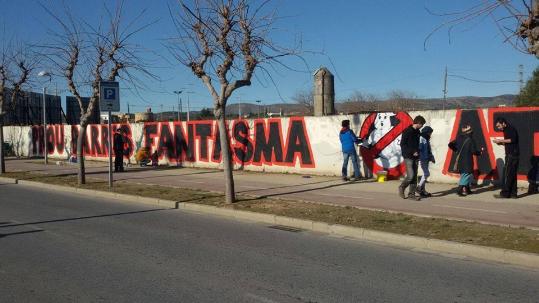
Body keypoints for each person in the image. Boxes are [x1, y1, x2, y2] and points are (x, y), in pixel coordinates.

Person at [448, 124, 482, 196]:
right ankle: (459, 190)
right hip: (467, 161)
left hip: (460, 160)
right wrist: (480, 152)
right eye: (471, 131)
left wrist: (456, 150)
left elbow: (450, 144)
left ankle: (467, 190)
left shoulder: (459, 138)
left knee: (465, 175)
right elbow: (474, 151)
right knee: (466, 175)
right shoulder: (470, 140)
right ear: (469, 132)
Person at [398, 115, 426, 201]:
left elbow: (418, 144)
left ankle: (411, 195)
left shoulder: (417, 132)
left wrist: (418, 152)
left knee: (414, 177)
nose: (422, 126)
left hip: (416, 157)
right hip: (408, 156)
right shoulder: (407, 131)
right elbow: (403, 144)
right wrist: (412, 151)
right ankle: (402, 187)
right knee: (411, 176)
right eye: (422, 124)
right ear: (418, 123)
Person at [493, 117, 519, 199]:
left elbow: (512, 140)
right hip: (514, 154)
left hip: (511, 155)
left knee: (506, 174)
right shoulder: (507, 129)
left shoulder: (510, 128)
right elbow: (510, 143)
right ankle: (513, 194)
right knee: (512, 174)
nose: (498, 128)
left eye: (499, 126)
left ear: (503, 123)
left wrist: (501, 141)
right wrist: (500, 143)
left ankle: (504, 193)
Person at [417, 126, 435, 197]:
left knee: (425, 174)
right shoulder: (421, 138)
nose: (431, 135)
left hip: (426, 158)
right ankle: (418, 187)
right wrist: (419, 157)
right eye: (430, 133)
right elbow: (419, 148)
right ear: (427, 132)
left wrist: (432, 157)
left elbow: (429, 150)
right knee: (426, 173)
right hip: (423, 158)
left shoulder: (426, 139)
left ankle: (422, 190)